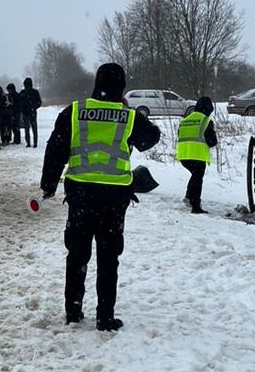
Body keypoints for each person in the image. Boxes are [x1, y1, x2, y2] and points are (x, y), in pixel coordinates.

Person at [41, 63, 161, 332]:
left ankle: (73, 311)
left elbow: (56, 149)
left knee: (77, 255)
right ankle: (105, 317)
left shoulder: (75, 112)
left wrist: (48, 184)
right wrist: (126, 110)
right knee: (108, 257)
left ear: (96, 84)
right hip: (113, 199)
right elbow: (152, 137)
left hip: (80, 196)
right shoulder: (128, 117)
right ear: (122, 87)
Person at [175, 96, 218, 214]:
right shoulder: (205, 120)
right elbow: (212, 141)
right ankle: (195, 205)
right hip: (197, 155)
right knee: (197, 179)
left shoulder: (185, 120)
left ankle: (189, 197)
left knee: (195, 176)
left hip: (183, 155)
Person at [19, 77, 42, 148]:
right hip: (32, 112)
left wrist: (22, 109)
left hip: (26, 113)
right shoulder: (35, 92)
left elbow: (19, 103)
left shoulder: (22, 92)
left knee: (27, 129)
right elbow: (39, 102)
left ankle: (29, 143)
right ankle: (34, 143)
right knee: (34, 129)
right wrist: (34, 107)